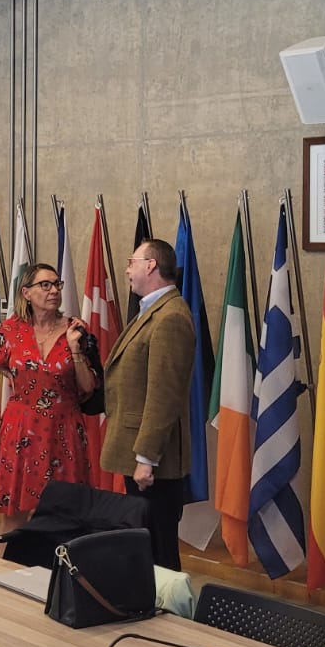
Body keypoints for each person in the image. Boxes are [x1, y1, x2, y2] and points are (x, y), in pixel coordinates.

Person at [0, 262, 97, 534]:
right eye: (45, 285)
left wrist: (75, 350)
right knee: (14, 516)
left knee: (62, 518)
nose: (54, 291)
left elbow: (88, 386)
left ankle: (55, 562)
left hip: (62, 431)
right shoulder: (12, 329)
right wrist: (5, 371)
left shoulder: (75, 329)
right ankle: (8, 562)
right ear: (26, 292)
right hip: (20, 431)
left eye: (57, 284)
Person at [100, 238, 194, 570]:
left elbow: (163, 396)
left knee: (159, 552)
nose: (127, 270)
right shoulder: (153, 311)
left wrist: (146, 458)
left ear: (151, 265)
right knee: (145, 546)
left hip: (154, 463)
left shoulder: (170, 317)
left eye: (132, 262)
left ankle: (166, 604)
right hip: (140, 452)